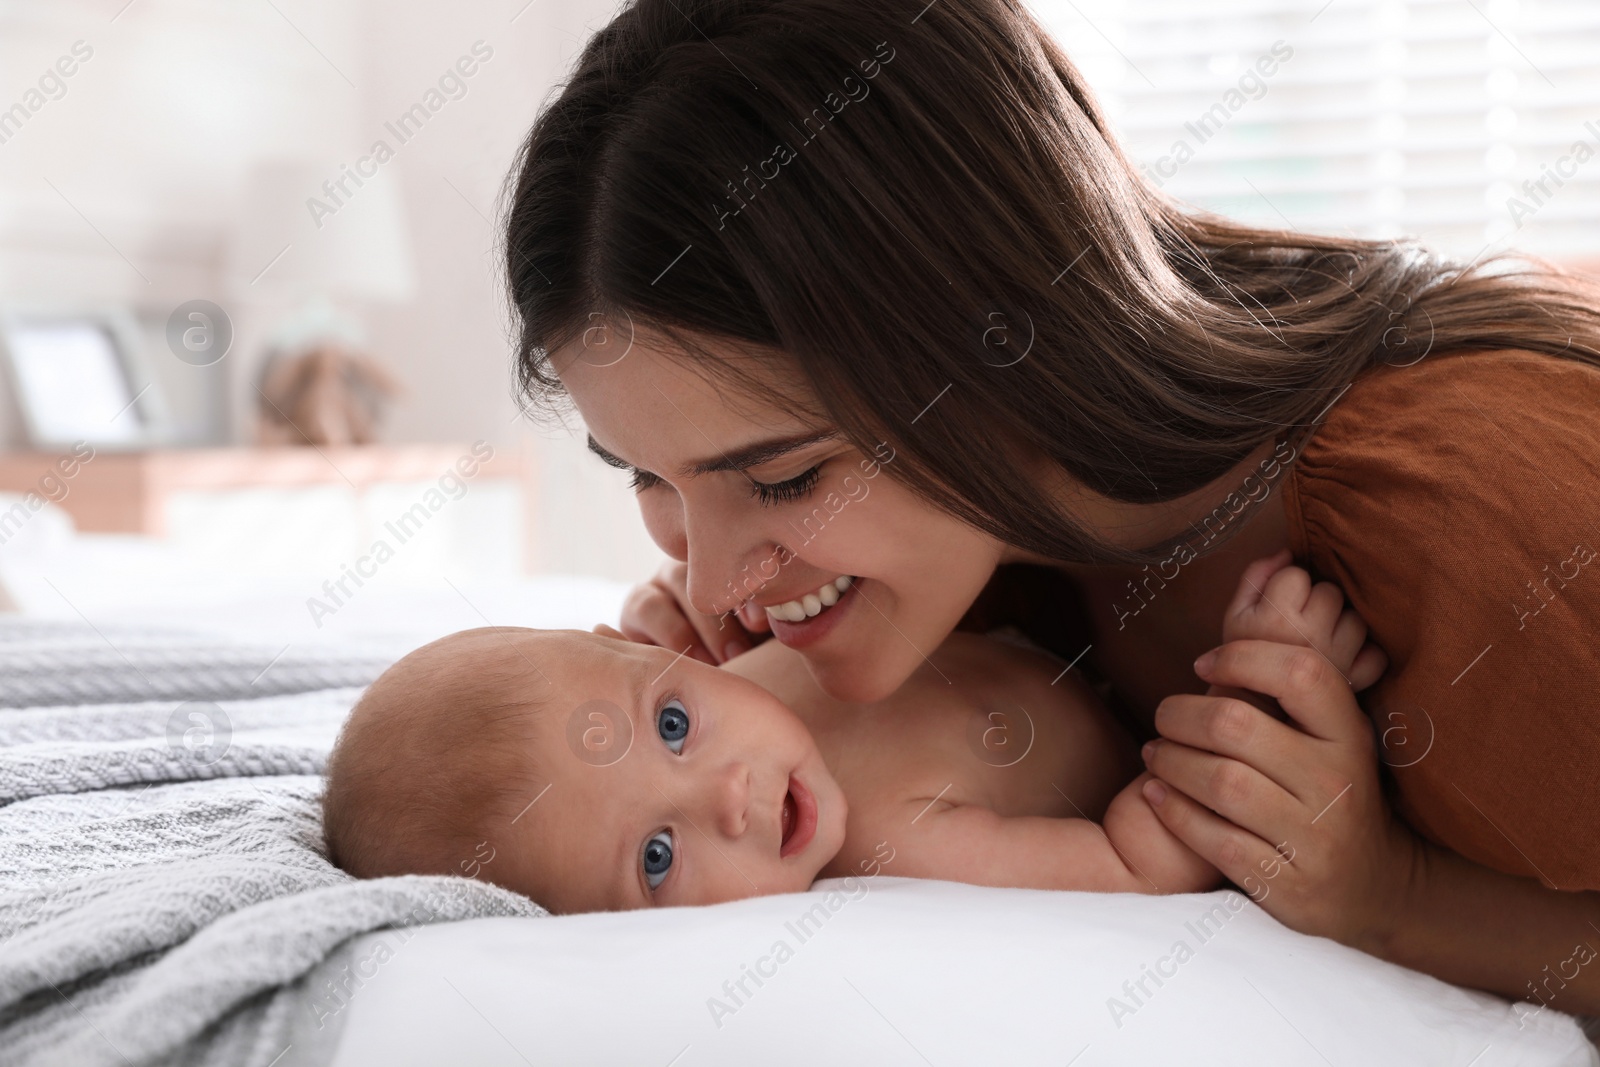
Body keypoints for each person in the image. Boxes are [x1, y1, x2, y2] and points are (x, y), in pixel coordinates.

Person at [501, 0, 1600, 1013]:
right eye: (646, 473)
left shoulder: (1493, 536)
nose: (708, 577)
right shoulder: (995, 544)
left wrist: (1391, 895)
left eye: (783, 477)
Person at [323, 557, 1377, 912]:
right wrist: (1269, 696)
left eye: (675, 723)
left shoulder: (750, 649)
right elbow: (1139, 861)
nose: (730, 797)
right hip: (1142, 705)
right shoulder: (894, 838)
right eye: (656, 856)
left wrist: (671, 600)